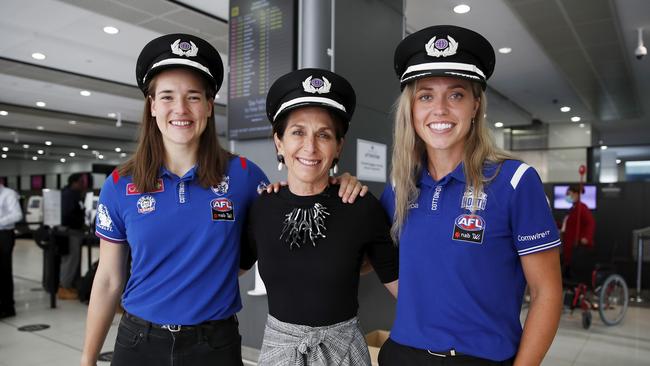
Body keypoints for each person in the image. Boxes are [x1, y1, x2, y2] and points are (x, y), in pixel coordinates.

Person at [80, 34, 366, 366]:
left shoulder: (244, 176)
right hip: (138, 343)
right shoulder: (120, 183)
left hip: (214, 346)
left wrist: (336, 185)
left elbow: (294, 212)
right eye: (168, 96)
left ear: (209, 104)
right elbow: (109, 279)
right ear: (152, 105)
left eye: (193, 97)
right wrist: (87, 359)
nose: (181, 109)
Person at [378, 25, 562, 365]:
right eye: (426, 95)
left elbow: (546, 293)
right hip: (402, 355)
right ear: (412, 109)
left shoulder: (516, 181)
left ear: (476, 105)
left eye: (456, 94)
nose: (440, 109)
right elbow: (373, 259)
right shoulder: (399, 186)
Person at [241, 68, 399, 366]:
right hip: (279, 352)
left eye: (323, 134)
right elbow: (226, 269)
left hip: (344, 352)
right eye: (298, 132)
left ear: (339, 146)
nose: (310, 147)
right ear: (279, 142)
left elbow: (403, 287)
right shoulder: (260, 208)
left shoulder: (361, 206)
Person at [58, 173, 86, 300]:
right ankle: (63, 287)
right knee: (69, 260)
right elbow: (67, 214)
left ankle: (68, 285)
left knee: (73, 260)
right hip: (70, 231)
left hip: (74, 230)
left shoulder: (73, 194)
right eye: (80, 182)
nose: (83, 184)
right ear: (74, 182)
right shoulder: (68, 195)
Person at [560, 184, 595, 276]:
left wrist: (586, 237)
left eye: (570, 195)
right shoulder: (572, 209)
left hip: (575, 248)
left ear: (577, 195)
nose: (568, 197)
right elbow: (567, 225)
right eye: (568, 195)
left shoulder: (581, 208)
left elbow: (590, 223)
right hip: (568, 245)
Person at [0, 183, 23, 319]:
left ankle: (8, 306)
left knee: (4, 270)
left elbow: (17, 215)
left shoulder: (8, 194)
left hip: (4, 235)